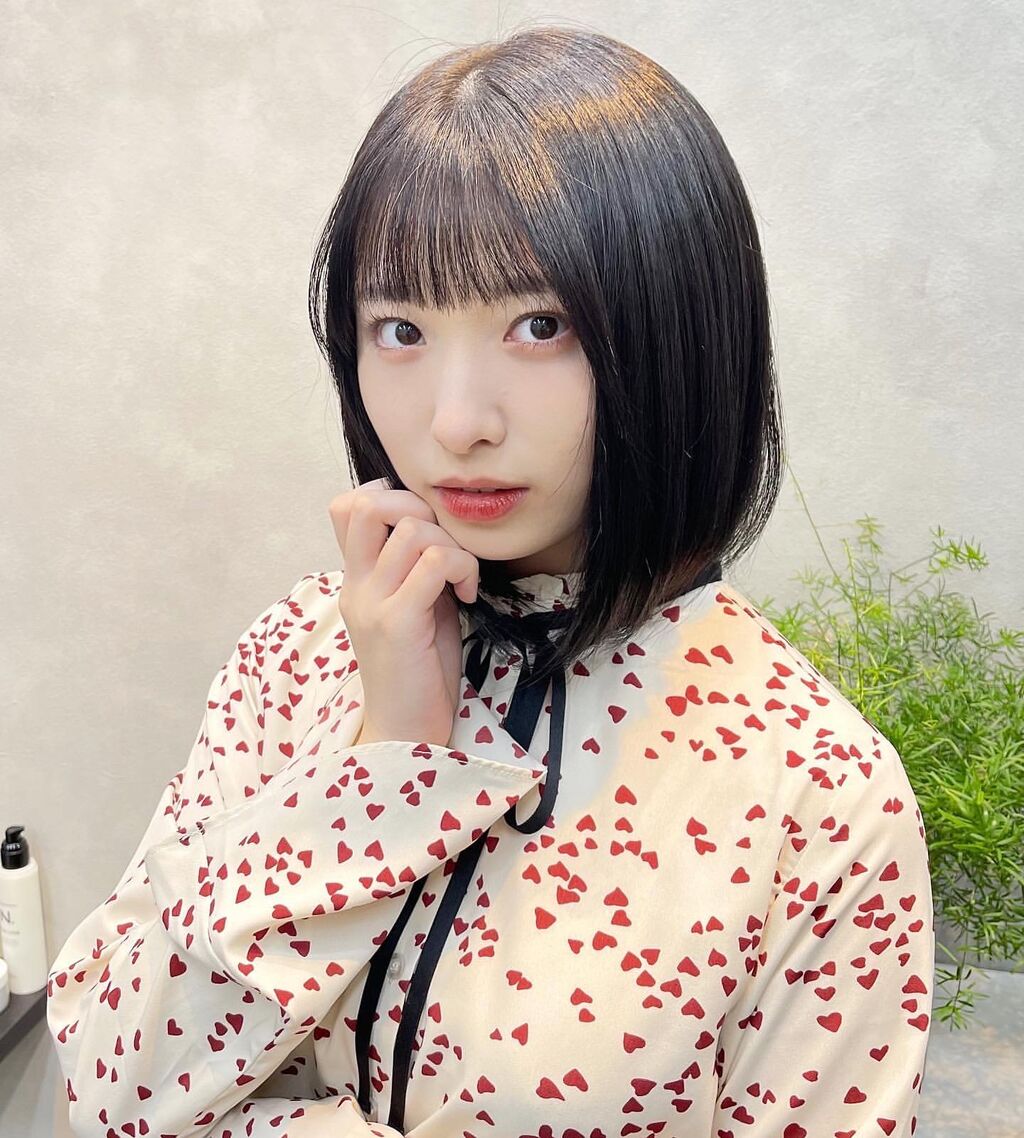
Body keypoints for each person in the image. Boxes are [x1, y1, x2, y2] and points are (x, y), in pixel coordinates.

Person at [46, 23, 934, 1138]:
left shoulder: (818, 793)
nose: (457, 421)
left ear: (680, 331)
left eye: (538, 325)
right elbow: (107, 1087)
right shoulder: (296, 656)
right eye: (400, 329)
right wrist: (382, 760)